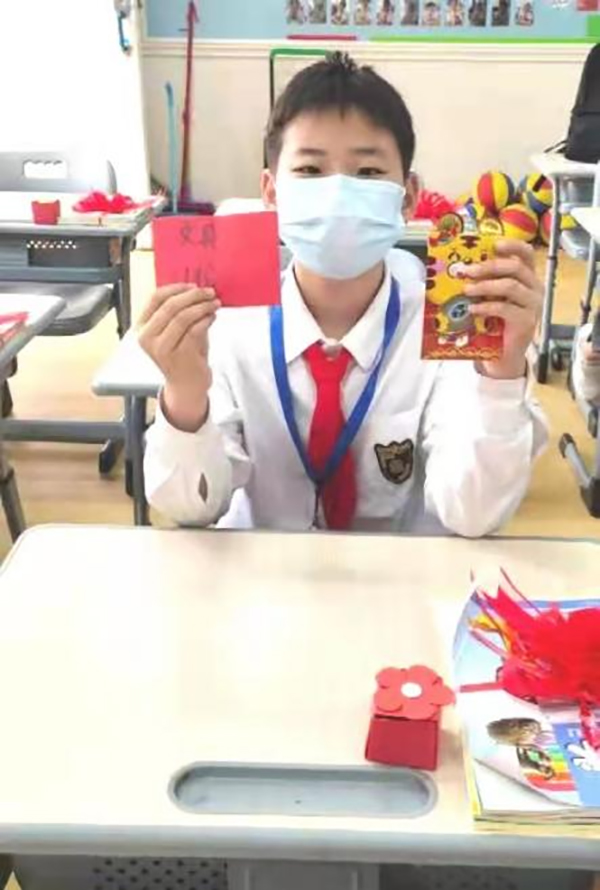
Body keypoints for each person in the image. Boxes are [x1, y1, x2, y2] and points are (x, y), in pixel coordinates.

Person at [140, 52, 546, 536]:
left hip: (401, 576)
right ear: (271, 191)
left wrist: (501, 375)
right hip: (260, 574)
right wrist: (185, 395)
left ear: (408, 197)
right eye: (311, 170)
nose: (337, 192)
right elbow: (191, 510)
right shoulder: (224, 319)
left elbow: (473, 516)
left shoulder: (449, 319)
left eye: (368, 172)